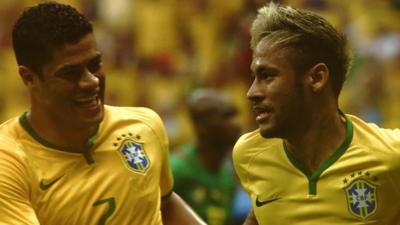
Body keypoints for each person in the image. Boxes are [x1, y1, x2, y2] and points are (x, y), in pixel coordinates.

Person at [0, 2, 205, 225]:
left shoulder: (144, 127)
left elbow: (165, 203)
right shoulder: (9, 162)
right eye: (70, 73)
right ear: (29, 78)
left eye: (95, 64)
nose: (92, 81)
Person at [232, 2, 400, 225]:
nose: (252, 93)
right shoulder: (248, 154)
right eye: (253, 77)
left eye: (268, 76)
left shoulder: (390, 157)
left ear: (317, 78)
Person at [170, 88, 244, 225]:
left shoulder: (226, 174)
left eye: (235, 117)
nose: (236, 125)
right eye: (226, 117)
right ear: (201, 126)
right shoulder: (176, 170)